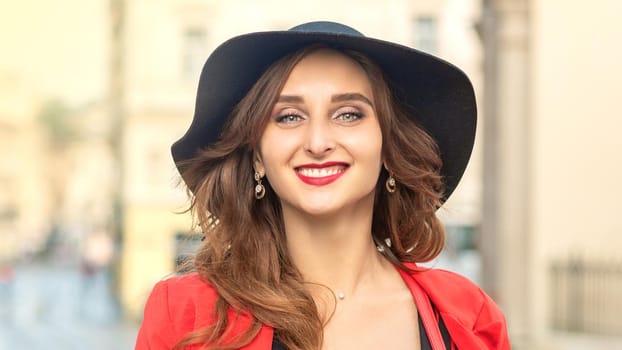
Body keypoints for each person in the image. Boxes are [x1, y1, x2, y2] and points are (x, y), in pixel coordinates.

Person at [135, 21, 510, 350]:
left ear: (388, 148)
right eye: (288, 116)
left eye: (348, 114)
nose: (317, 142)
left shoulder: (469, 315)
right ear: (258, 156)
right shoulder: (183, 314)